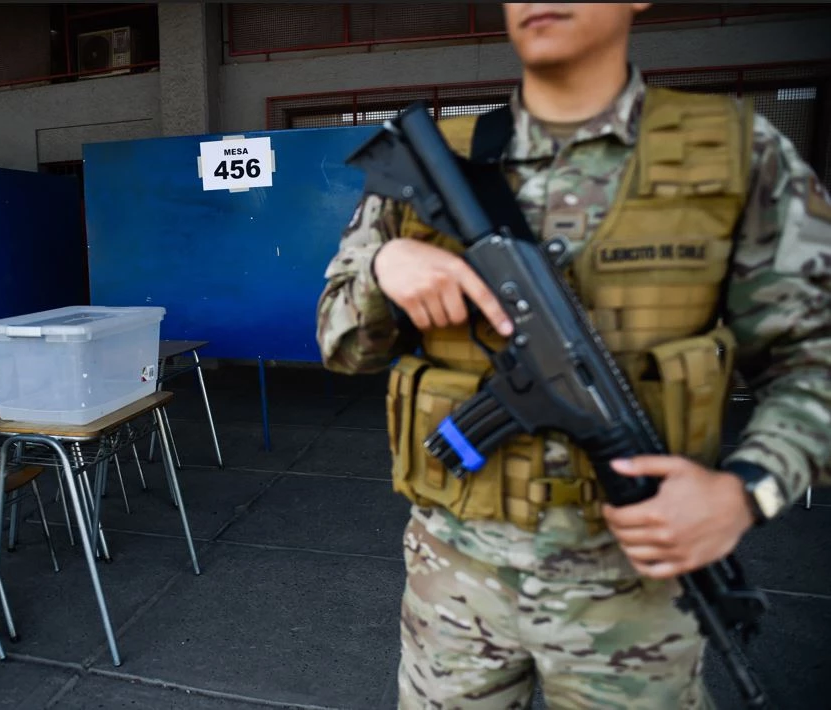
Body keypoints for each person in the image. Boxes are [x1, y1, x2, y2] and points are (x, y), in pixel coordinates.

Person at [315, 3, 831, 708]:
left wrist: (747, 490)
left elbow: (816, 356)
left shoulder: (739, 154)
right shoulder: (445, 156)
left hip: (633, 603)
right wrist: (382, 268)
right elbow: (340, 345)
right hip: (452, 588)